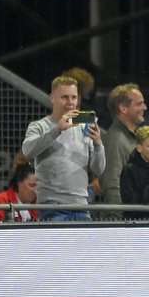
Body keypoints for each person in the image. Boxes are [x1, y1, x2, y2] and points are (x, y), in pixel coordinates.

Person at [22, 75, 106, 221]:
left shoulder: (85, 125)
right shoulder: (39, 126)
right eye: (65, 97)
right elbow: (27, 151)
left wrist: (98, 144)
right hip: (52, 207)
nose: (70, 102)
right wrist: (57, 129)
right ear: (52, 98)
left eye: (74, 97)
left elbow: (98, 170)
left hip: (82, 206)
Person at [100, 83, 147, 205]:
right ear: (123, 108)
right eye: (139, 104)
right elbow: (112, 184)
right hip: (124, 219)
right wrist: (117, 220)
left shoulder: (134, 138)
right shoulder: (115, 140)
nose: (145, 107)